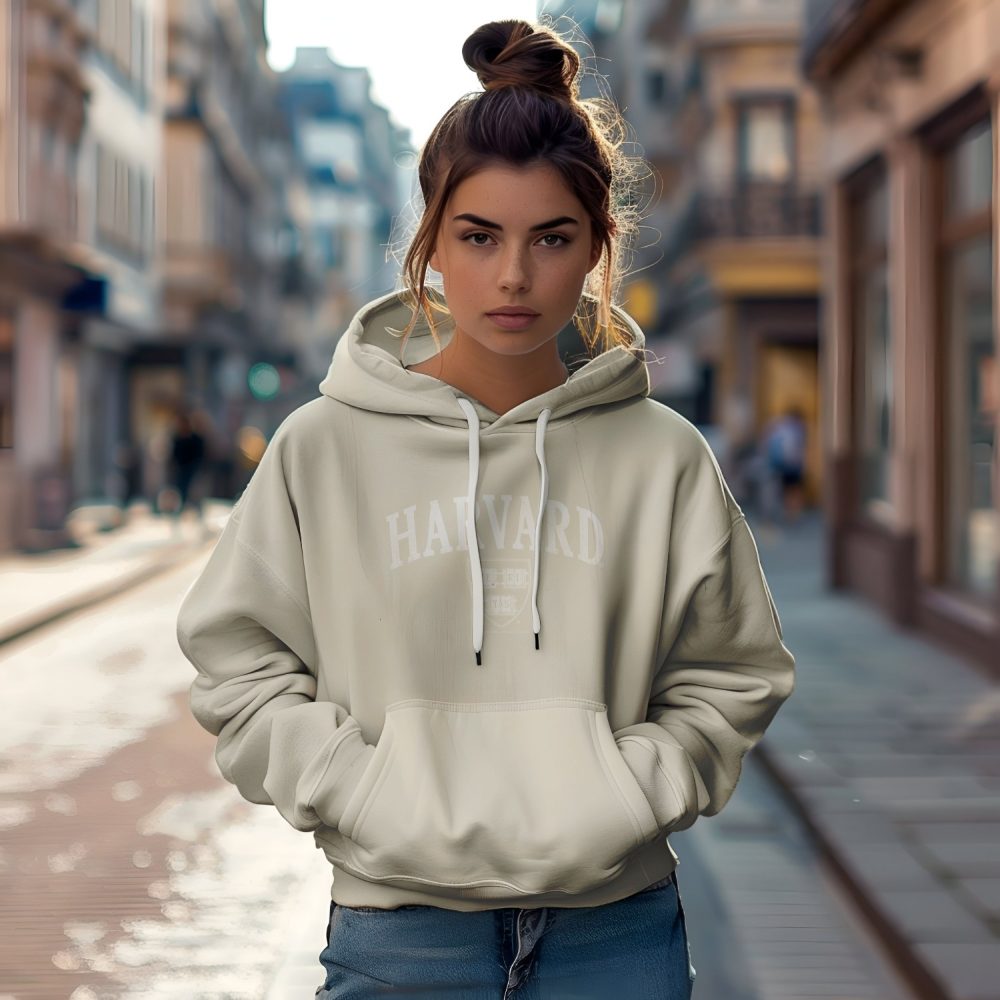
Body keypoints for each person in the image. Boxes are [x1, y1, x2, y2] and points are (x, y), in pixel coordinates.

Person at [175, 19, 796, 999]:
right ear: (430, 238)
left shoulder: (663, 457)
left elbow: (735, 669)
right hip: (398, 931)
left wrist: (634, 788)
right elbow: (235, 657)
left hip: (616, 934)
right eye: (479, 236)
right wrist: (354, 785)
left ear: (598, 247)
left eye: (552, 239)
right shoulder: (325, 446)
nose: (513, 276)